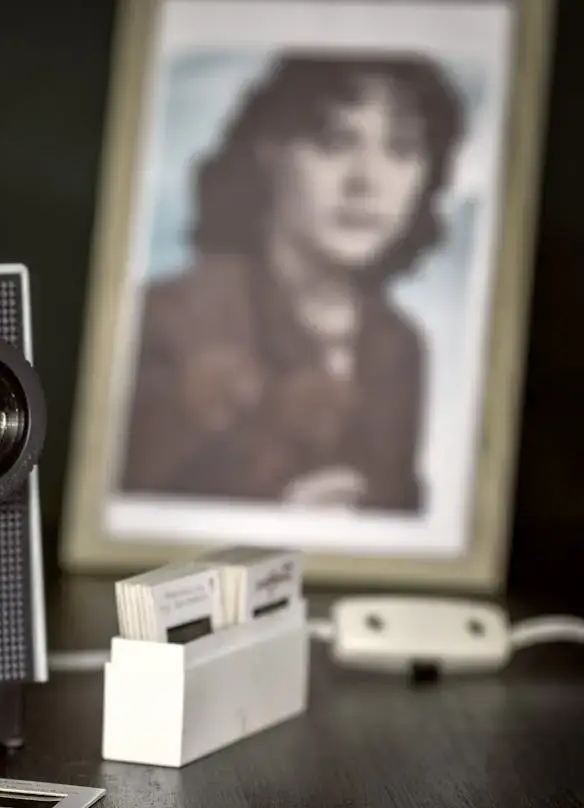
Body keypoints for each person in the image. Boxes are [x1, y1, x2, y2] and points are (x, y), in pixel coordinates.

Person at [119, 52, 465, 513]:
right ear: (269, 150)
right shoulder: (168, 319)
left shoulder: (399, 344)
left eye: (402, 150)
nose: (367, 181)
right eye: (334, 142)